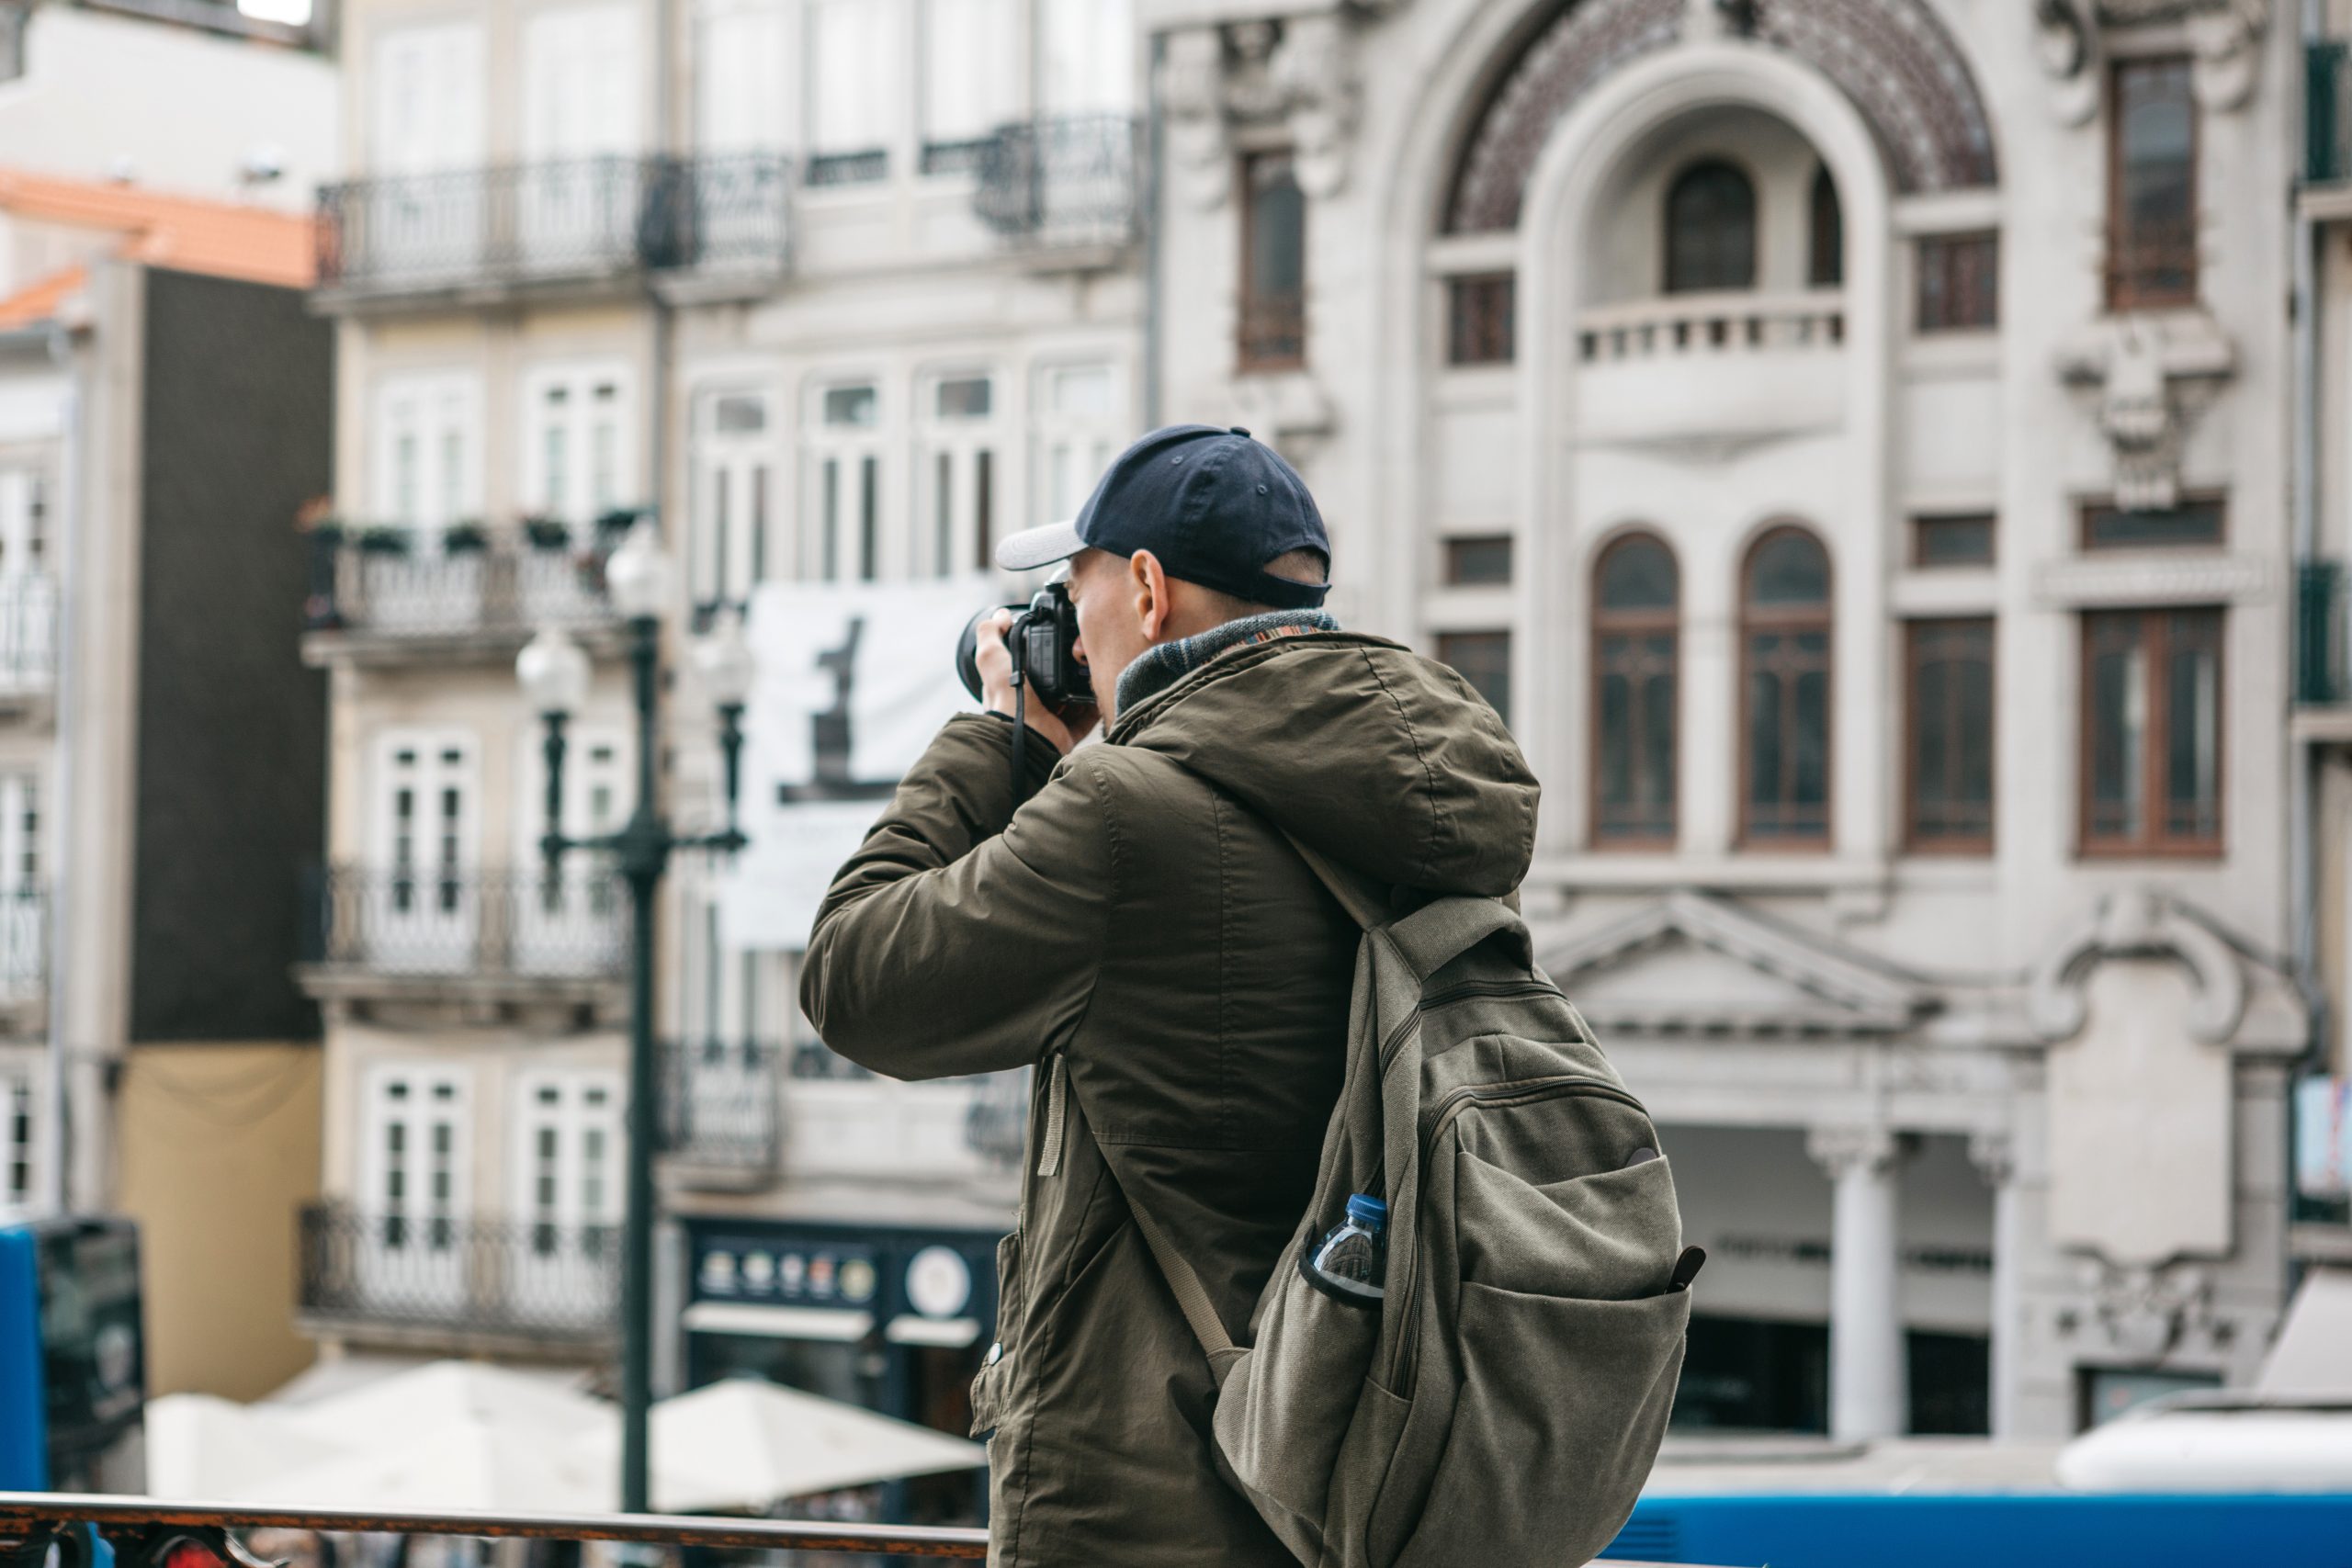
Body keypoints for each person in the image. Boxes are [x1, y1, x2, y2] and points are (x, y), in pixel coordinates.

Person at [798, 424, 1538, 1567]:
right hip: (1348, 1477)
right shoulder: (1417, 797)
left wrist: (1006, 736)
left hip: (1146, 1504)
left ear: (1144, 590)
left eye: (1074, 588)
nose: (1065, 623)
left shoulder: (1120, 817)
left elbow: (854, 979)